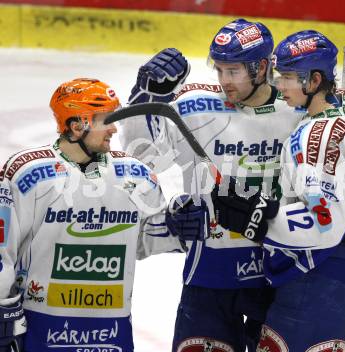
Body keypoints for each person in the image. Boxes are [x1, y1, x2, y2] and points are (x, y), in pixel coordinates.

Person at [120, 18, 304, 352]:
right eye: (218, 70)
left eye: (233, 71)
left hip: (279, 273)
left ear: (261, 67)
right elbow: (141, 158)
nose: (223, 81)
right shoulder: (195, 107)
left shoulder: (295, 110)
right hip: (210, 276)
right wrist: (143, 98)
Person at [212, 30, 345, 351]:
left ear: (314, 81)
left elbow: (323, 223)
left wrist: (260, 219)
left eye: (287, 77)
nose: (280, 85)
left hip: (316, 273)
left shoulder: (312, 140)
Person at [0, 78, 208, 352]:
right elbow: (3, 252)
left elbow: (143, 239)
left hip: (111, 328)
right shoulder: (27, 175)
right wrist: (5, 310)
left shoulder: (135, 174)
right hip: (41, 325)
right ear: (77, 126)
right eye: (105, 120)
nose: (113, 128)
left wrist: (176, 226)